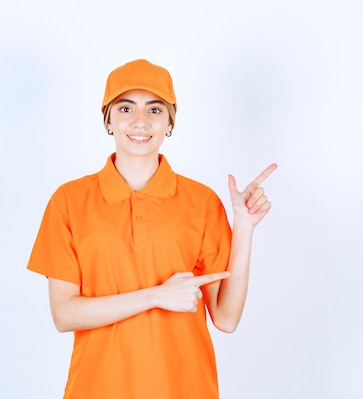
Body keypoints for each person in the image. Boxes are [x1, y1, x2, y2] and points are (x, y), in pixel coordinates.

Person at [27, 58, 277, 399]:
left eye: (155, 110)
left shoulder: (202, 202)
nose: (140, 122)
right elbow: (64, 313)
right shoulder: (69, 201)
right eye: (126, 108)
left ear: (170, 123)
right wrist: (157, 296)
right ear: (109, 120)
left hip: (185, 389)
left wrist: (244, 228)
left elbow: (227, 318)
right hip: (97, 389)